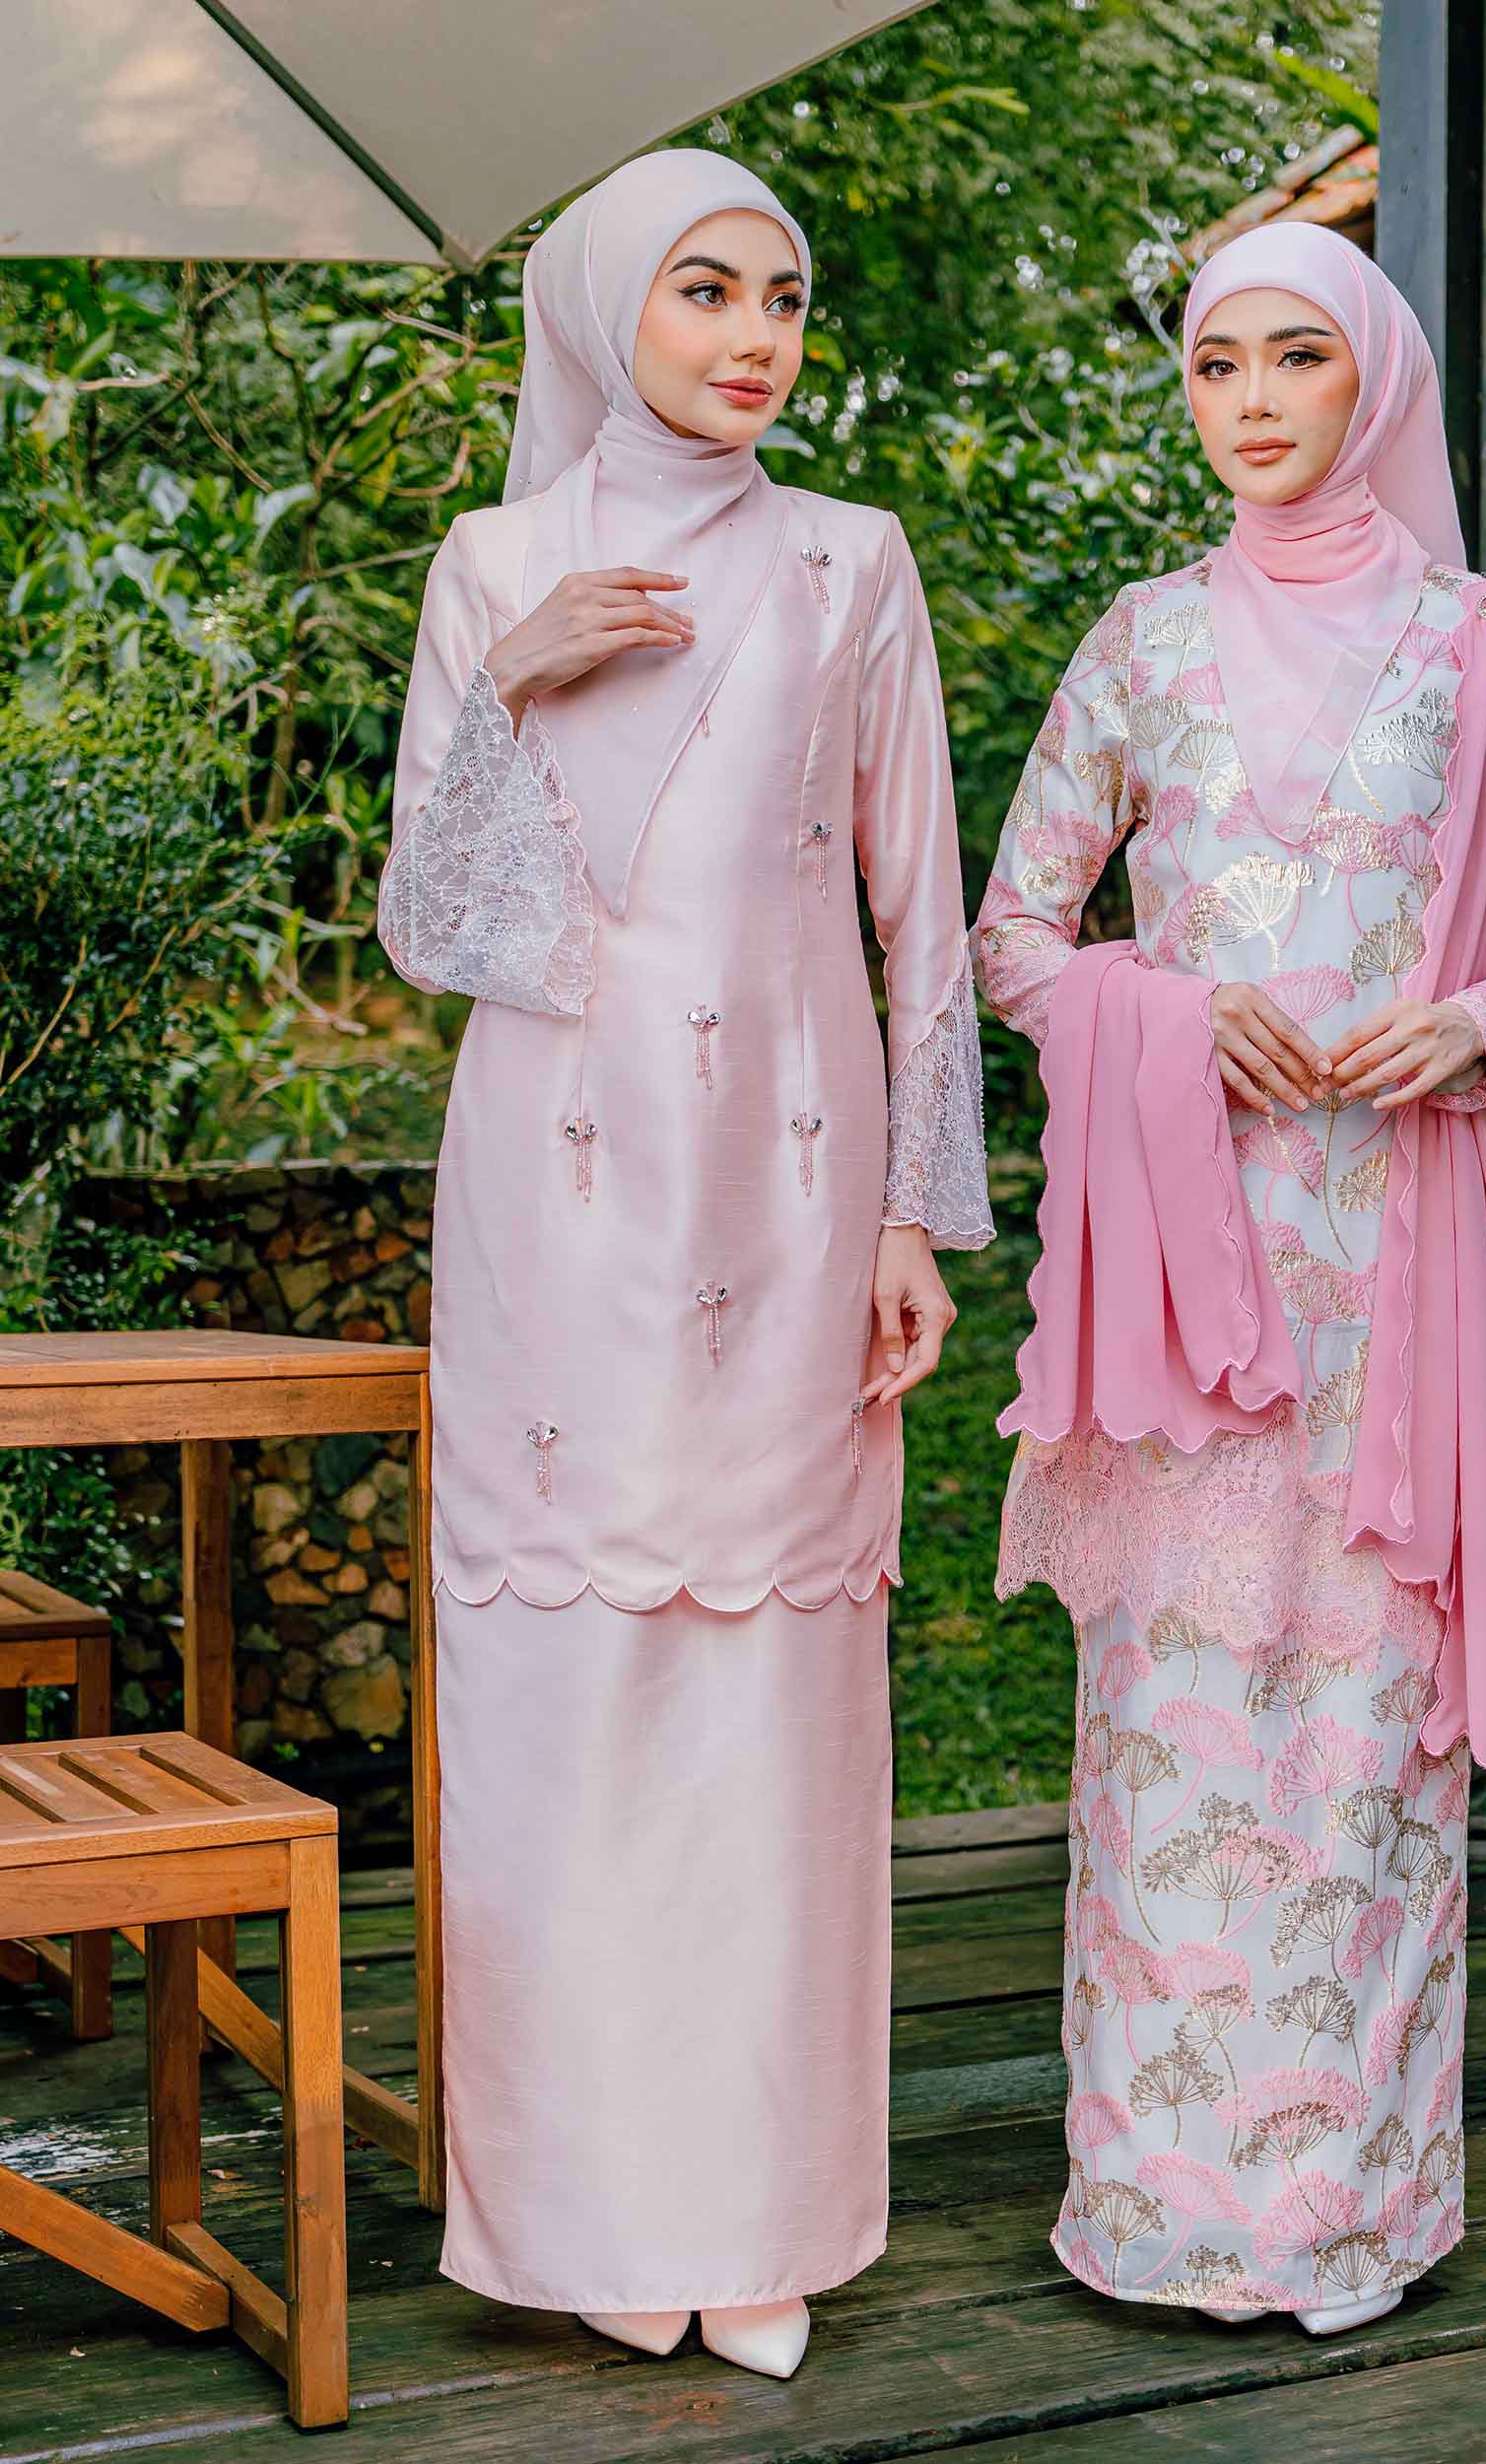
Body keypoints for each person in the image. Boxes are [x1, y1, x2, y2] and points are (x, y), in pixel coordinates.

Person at [379, 149, 991, 2381]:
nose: (754, 335)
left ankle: (756, 2208)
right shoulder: (495, 564)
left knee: (767, 1707)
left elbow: (920, 908)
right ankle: (586, 2209)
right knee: (569, 1695)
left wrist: (915, 1206)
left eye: (783, 296)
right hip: (553, 1205)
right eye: (705, 290)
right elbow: (439, 930)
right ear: (605, 309)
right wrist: (512, 682)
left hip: (793, 1196)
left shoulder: (852, 560)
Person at [971, 222, 1486, 2333]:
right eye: (1214, 361)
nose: (1249, 398)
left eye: (1294, 357)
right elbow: (1015, 934)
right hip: (1189, 1281)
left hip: (1396, 1278)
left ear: (1373, 384)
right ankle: (1158, 2206)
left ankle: (1346, 2208)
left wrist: (1477, 1026)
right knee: (1171, 1728)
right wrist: (1161, 1008)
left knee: (1358, 1741)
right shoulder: (1141, 642)